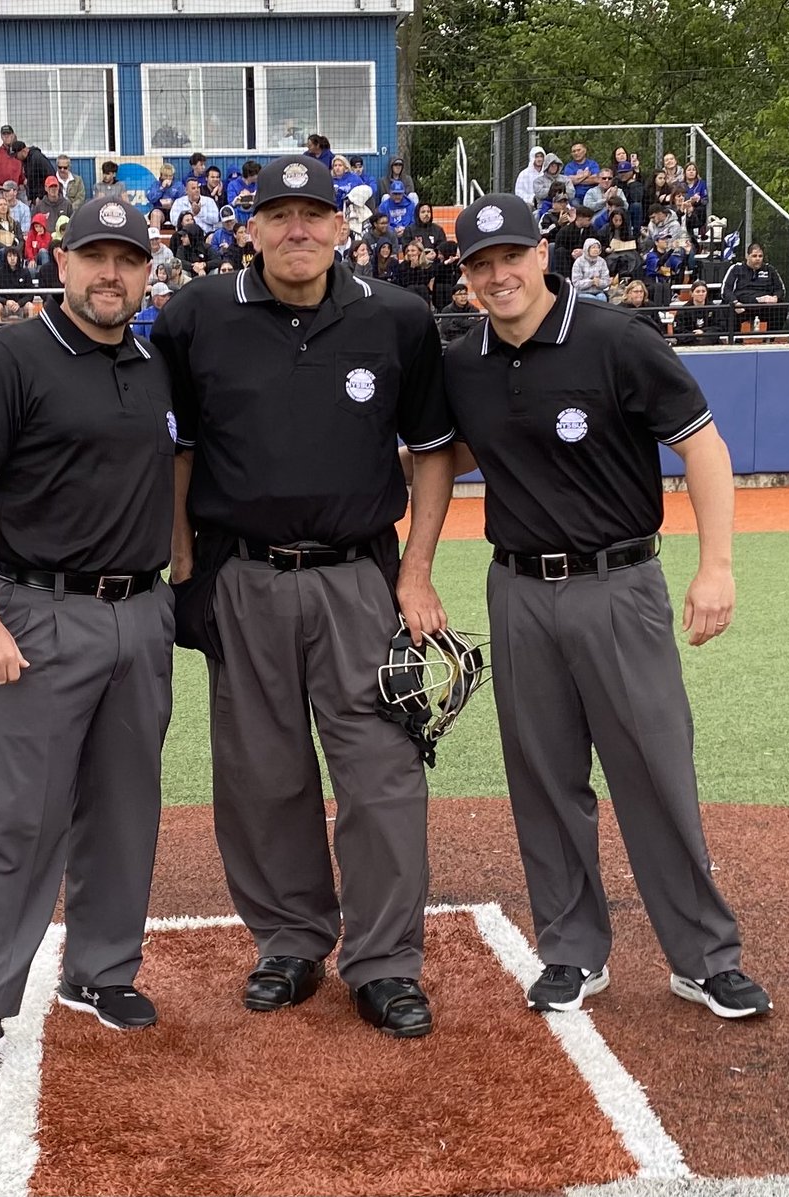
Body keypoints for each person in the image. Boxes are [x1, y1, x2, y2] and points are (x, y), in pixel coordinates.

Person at [442, 193, 771, 1021]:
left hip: (618, 584)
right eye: (480, 265)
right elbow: (441, 454)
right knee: (545, 779)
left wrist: (717, 566)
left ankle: (704, 956)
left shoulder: (615, 338)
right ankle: (572, 950)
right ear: (466, 277)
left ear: (541, 253)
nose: (497, 275)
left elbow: (703, 444)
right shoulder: (463, 360)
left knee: (654, 772)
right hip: (516, 588)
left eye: (509, 257)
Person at [150, 154, 456, 1040]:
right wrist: (181, 565)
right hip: (240, 574)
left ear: (340, 227)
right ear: (248, 228)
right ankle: (290, 940)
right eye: (278, 214)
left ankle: (385, 961)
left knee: (383, 776)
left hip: (359, 578)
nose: (297, 229)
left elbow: (433, 448)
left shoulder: (394, 318)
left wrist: (418, 569)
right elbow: (175, 449)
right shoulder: (197, 314)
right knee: (260, 775)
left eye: (313, 214)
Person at [0, 197, 175, 1083]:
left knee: (124, 807)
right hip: (38, 610)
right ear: (63, 262)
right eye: (94, 256)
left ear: (148, 273)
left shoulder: (155, 363)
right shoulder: (13, 356)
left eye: (127, 259)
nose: (110, 273)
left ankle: (101, 970)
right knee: (20, 817)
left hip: (141, 611)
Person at [721, 242, 786, 332]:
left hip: (764, 306)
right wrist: (735, 302)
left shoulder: (770, 269)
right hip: (743, 305)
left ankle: (771, 338)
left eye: (760, 256)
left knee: (781, 308)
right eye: (754, 256)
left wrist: (775, 297)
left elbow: (780, 289)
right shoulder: (736, 269)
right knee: (728, 308)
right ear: (747, 256)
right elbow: (725, 290)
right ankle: (735, 340)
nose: (758, 259)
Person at [0, 243, 40, 323]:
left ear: (18, 257)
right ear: (5, 257)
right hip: (5, 305)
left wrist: (19, 303)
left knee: (30, 306)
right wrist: (6, 302)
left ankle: (31, 333)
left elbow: (30, 294)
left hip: (21, 306)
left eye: (14, 256)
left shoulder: (25, 272)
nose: (12, 259)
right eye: (9, 256)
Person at [674, 280, 731, 345]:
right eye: (697, 291)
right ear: (692, 293)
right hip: (689, 342)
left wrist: (703, 332)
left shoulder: (714, 308)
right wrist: (694, 335)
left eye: (703, 291)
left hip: (710, 342)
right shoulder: (683, 311)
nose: (701, 294)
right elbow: (679, 330)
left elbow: (720, 326)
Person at [437, 281, 482, 345]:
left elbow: (474, 326)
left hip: (469, 340)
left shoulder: (474, 310)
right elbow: (447, 329)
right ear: (454, 297)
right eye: (460, 294)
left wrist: (457, 322)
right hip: (452, 341)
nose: (463, 297)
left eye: (465, 294)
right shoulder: (447, 310)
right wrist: (466, 324)